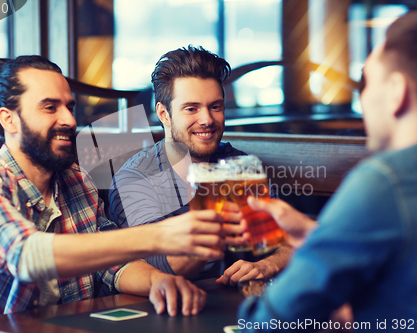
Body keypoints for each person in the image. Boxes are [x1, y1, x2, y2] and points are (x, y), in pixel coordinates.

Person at [0, 56, 242, 329]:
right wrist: (162, 234)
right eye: (50, 107)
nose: (69, 120)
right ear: (8, 119)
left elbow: (113, 266)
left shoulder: (75, 179)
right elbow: (25, 255)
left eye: (69, 107)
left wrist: (158, 281)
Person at [238, 11, 417, 331]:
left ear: (396, 91)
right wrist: (316, 235)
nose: (362, 99)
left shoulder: (385, 181)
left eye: (368, 82)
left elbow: (268, 323)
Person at [108, 46, 291, 283]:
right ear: (164, 114)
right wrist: (220, 216)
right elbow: (166, 267)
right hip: (161, 309)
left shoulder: (237, 164)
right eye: (191, 109)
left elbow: (291, 241)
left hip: (231, 305)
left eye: (215, 107)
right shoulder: (135, 180)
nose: (207, 120)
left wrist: (268, 265)